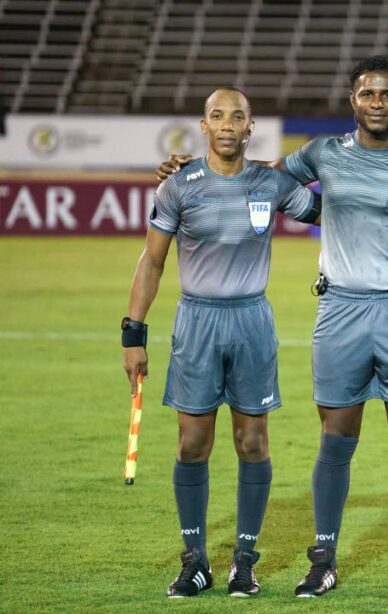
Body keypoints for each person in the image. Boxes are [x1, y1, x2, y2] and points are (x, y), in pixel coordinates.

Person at [159, 55, 388, 598]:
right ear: (352, 100)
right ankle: (323, 559)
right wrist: (188, 168)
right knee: (336, 441)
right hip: (340, 314)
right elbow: (249, 178)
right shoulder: (322, 154)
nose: (376, 102)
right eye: (366, 94)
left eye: (386, 94)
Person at [123, 87, 320, 598]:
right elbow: (152, 262)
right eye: (218, 116)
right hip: (198, 322)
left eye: (238, 116)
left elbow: (324, 212)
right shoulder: (179, 186)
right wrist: (134, 333)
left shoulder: (270, 182)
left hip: (252, 321)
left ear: (250, 126)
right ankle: (195, 561)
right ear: (204, 126)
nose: (228, 124)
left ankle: (245, 562)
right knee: (193, 444)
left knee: (252, 443)